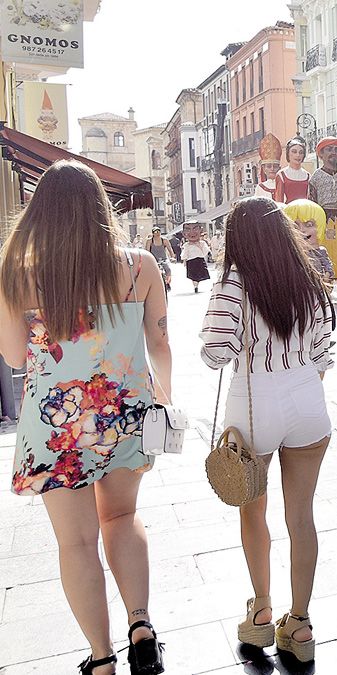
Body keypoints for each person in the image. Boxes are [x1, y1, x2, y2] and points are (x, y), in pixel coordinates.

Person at [1, 160, 171, 675]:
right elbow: (160, 344)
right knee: (122, 518)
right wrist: (161, 403)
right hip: (123, 412)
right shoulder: (141, 266)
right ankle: (141, 628)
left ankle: (101, 659)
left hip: (57, 423)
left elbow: (13, 357)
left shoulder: (19, 276)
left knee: (75, 542)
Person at [199, 197, 334, 665]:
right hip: (307, 400)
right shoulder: (309, 279)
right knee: (303, 517)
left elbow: (216, 351)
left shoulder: (234, 282)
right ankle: (300, 623)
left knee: (252, 511)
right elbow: (323, 353)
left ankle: (260, 612)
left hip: (254, 401)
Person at [307, 136, 337, 298]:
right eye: (329, 149)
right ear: (321, 154)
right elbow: (311, 201)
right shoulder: (316, 177)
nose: (333, 153)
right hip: (323, 219)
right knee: (324, 253)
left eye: (336, 150)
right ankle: (326, 286)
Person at [284, 199, 334, 282]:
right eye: (295, 226)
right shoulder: (288, 254)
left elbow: (328, 267)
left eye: (309, 225)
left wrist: (326, 277)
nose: (301, 230)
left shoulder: (320, 252)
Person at [274, 137, 311, 204]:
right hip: (288, 211)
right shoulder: (281, 175)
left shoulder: (308, 175)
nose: (298, 155)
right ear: (288, 153)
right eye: (294, 152)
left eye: (301, 152)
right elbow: (279, 201)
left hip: (305, 212)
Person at [181, 223, 211, 293]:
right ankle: (195, 286)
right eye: (188, 229)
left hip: (199, 260)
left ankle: (196, 284)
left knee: (199, 274)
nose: (192, 232)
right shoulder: (186, 245)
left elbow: (206, 250)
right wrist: (184, 260)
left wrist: (207, 253)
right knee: (193, 275)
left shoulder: (202, 243)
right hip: (191, 261)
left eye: (195, 229)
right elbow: (185, 253)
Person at [255, 134, 284, 199]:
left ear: (279, 168)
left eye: (275, 166)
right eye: (269, 166)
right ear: (264, 169)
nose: (272, 169)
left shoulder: (284, 186)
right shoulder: (260, 188)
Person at [146, 227, 174, 292]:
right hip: (153, 259)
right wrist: (148, 259)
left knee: (168, 269)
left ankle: (167, 283)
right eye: (156, 232)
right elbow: (147, 251)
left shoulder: (164, 240)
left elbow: (170, 249)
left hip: (163, 259)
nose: (158, 233)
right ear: (153, 233)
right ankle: (153, 284)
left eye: (159, 231)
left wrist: (172, 257)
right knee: (152, 272)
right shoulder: (150, 241)